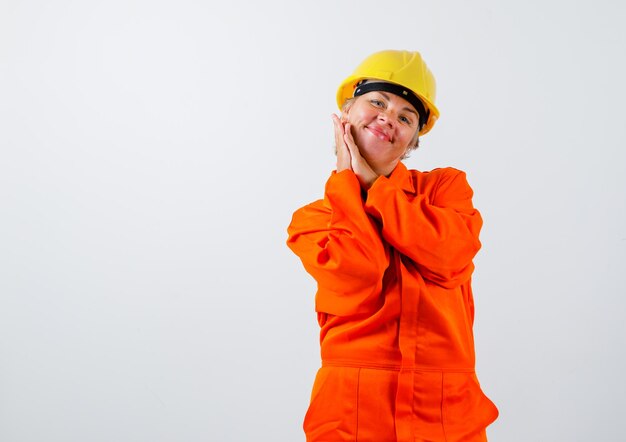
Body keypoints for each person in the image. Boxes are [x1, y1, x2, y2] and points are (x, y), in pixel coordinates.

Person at [286, 50, 498, 442]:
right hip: (351, 412)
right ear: (346, 115)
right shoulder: (314, 219)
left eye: (405, 117)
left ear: (412, 141)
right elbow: (358, 273)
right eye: (378, 102)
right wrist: (349, 183)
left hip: (447, 412)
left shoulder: (444, 189)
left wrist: (373, 187)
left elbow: (450, 255)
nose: (388, 118)